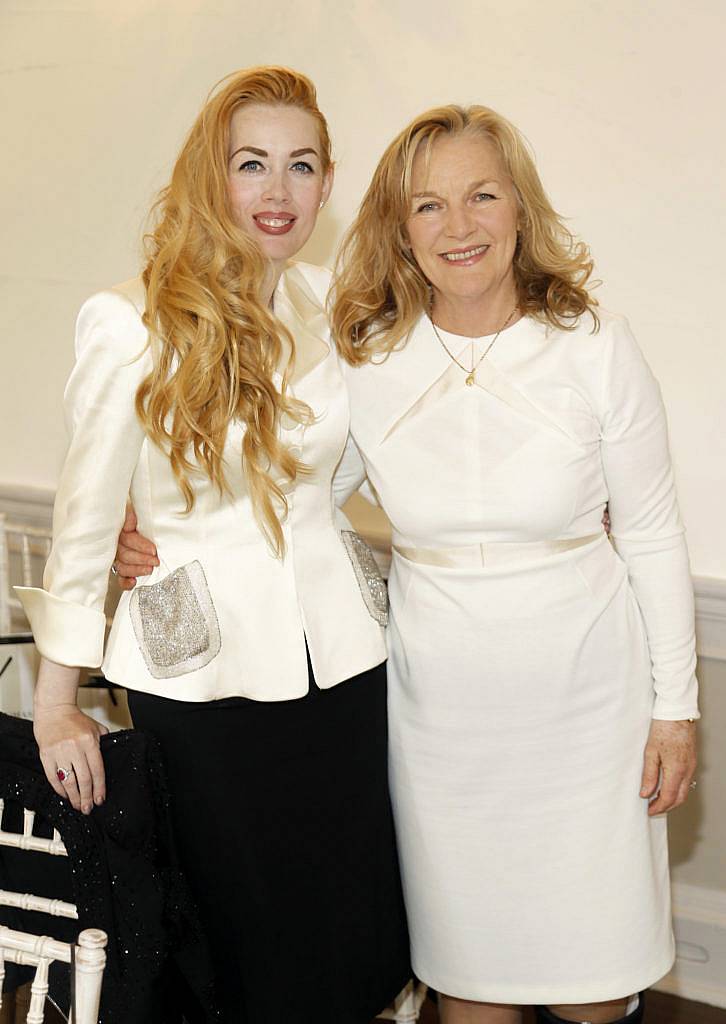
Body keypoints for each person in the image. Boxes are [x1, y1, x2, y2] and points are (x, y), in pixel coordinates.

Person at [116, 102, 699, 1024]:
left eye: (482, 196)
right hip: (439, 716)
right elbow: (285, 484)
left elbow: (657, 533)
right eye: (428, 206)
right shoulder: (370, 357)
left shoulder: (596, 348)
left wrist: (677, 711)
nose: (458, 227)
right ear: (400, 227)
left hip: (590, 705)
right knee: (467, 984)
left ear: (520, 209)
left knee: (595, 986)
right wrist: (143, 525)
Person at [17, 66, 410, 1024]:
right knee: (235, 956)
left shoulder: (333, 306)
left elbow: (348, 471)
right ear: (210, 176)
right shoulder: (134, 319)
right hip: (200, 686)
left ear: (327, 183)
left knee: (351, 937)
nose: (277, 193)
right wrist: (58, 703)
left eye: (301, 166)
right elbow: (83, 519)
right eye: (251, 165)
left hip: (349, 673)